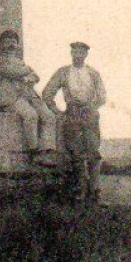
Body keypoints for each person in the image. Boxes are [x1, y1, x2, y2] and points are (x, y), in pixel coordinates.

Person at [42, 42, 107, 204]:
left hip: (90, 115)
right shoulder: (63, 72)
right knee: (76, 154)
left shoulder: (93, 73)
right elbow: (47, 93)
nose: (78, 56)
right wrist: (57, 112)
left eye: (81, 53)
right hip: (72, 116)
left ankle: (95, 193)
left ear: (86, 55)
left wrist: (92, 107)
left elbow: (102, 96)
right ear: (71, 54)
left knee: (93, 153)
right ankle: (80, 192)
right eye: (75, 52)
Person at [0, 29, 59, 166]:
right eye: (7, 41)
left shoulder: (20, 61)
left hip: (29, 95)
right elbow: (11, 72)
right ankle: (34, 153)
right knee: (31, 115)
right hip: (13, 99)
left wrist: (28, 75)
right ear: (1, 44)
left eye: (14, 41)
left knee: (49, 116)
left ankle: (46, 152)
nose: (11, 44)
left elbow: (36, 77)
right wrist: (28, 72)